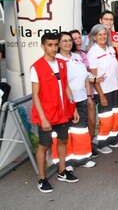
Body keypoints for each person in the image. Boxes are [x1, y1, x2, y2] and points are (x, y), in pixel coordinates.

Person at [31, 33, 80, 193]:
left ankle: (62, 171)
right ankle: (42, 178)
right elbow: (35, 96)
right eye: (49, 45)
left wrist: (74, 108)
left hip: (62, 113)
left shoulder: (62, 63)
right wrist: (44, 118)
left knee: (63, 141)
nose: (53, 48)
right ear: (43, 46)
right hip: (46, 115)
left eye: (55, 45)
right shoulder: (36, 67)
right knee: (44, 146)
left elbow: (66, 87)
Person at [56, 32, 96, 168]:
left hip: (82, 99)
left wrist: (89, 96)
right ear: (59, 44)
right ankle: (66, 161)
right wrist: (71, 103)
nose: (68, 43)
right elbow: (61, 84)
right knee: (66, 132)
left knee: (81, 130)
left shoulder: (77, 57)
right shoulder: (57, 60)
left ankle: (82, 158)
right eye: (64, 41)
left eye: (69, 40)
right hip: (67, 102)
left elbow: (85, 77)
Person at [87, 24, 118, 154]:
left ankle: (114, 139)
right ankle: (102, 142)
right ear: (94, 37)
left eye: (104, 34)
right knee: (106, 117)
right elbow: (93, 76)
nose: (103, 36)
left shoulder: (110, 48)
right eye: (100, 34)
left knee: (117, 114)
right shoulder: (93, 52)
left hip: (116, 87)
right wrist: (101, 95)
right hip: (104, 90)